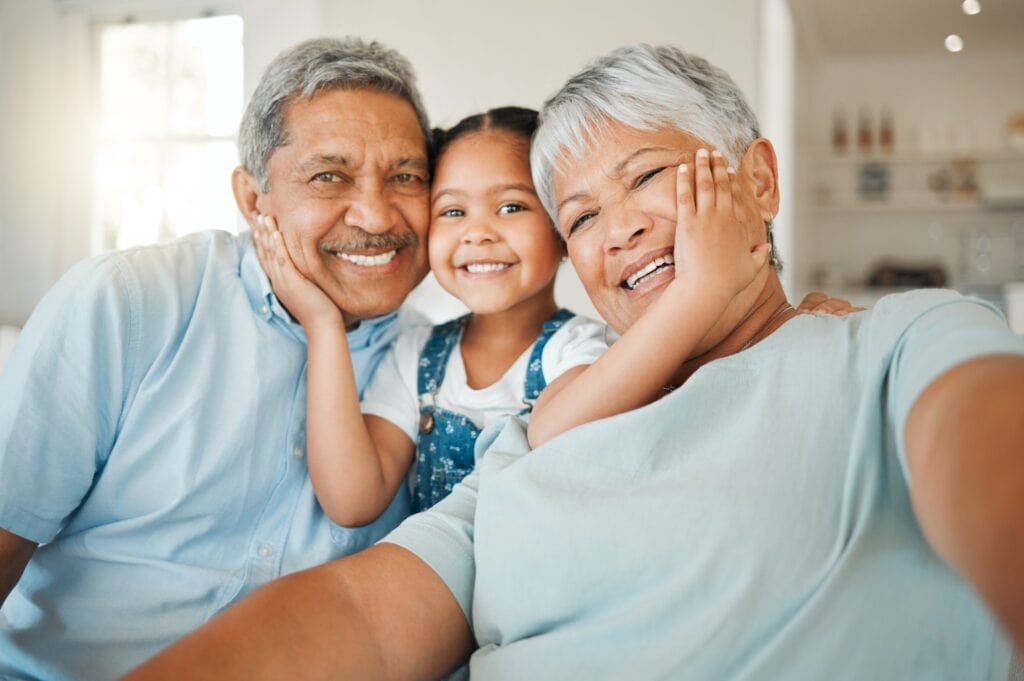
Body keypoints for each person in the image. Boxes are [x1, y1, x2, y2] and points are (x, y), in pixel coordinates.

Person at [127, 42, 1024, 681]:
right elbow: (363, 613)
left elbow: (988, 446)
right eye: (583, 216)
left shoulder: (897, 342)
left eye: (646, 177)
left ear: (758, 181)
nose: (618, 229)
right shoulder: (538, 431)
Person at [0, 37, 436, 680]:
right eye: (329, 176)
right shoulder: (126, 301)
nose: (375, 214)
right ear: (254, 199)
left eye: (406, 176)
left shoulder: (434, 361)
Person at [250, 105, 772, 526]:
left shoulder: (587, 349)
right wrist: (322, 326)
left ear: (565, 231)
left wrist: (699, 290)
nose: (478, 233)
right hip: (435, 607)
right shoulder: (415, 359)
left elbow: (557, 426)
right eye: (452, 212)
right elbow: (352, 499)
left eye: (511, 207)